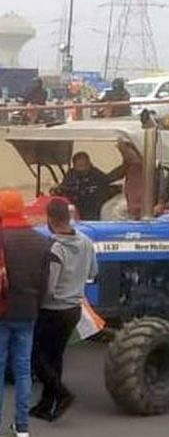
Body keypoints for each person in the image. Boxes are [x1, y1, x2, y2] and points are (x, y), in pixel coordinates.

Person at [30, 199, 97, 422]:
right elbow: (93, 272)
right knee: (55, 356)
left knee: (36, 358)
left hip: (53, 310)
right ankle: (46, 404)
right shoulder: (87, 242)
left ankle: (63, 394)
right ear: (69, 218)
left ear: (49, 219)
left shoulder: (55, 248)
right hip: (74, 309)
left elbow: (50, 288)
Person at [0, 190, 52, 437]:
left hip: (1, 311)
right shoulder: (41, 241)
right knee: (23, 370)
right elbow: (45, 284)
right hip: (27, 312)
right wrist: (35, 306)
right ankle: (22, 427)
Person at [54, 152, 112, 221]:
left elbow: (105, 183)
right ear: (74, 166)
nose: (83, 169)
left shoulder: (96, 174)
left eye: (85, 165)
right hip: (76, 207)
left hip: (93, 208)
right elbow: (65, 189)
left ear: (89, 164)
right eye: (80, 166)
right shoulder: (71, 174)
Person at [108, 140, 144, 219]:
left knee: (115, 211)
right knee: (108, 208)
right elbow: (110, 177)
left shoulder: (146, 165)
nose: (123, 155)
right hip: (129, 200)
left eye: (124, 152)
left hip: (140, 204)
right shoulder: (129, 165)